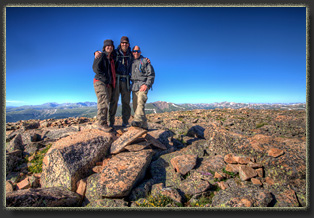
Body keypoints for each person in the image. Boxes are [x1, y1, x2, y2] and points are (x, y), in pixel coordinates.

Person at [92, 39, 116, 131]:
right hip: (100, 81)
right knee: (103, 101)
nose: (109, 47)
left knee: (107, 101)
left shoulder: (111, 58)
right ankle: (101, 123)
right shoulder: (101, 55)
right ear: (104, 47)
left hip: (107, 83)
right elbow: (95, 68)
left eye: (111, 46)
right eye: (107, 46)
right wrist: (105, 79)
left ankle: (105, 122)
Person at [130, 45, 155, 130]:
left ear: (140, 52)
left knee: (141, 101)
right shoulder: (130, 61)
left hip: (143, 85)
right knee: (136, 107)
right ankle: (144, 125)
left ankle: (137, 121)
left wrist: (147, 85)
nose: (135, 53)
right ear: (132, 52)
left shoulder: (144, 61)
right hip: (134, 86)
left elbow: (151, 74)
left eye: (137, 51)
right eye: (134, 51)